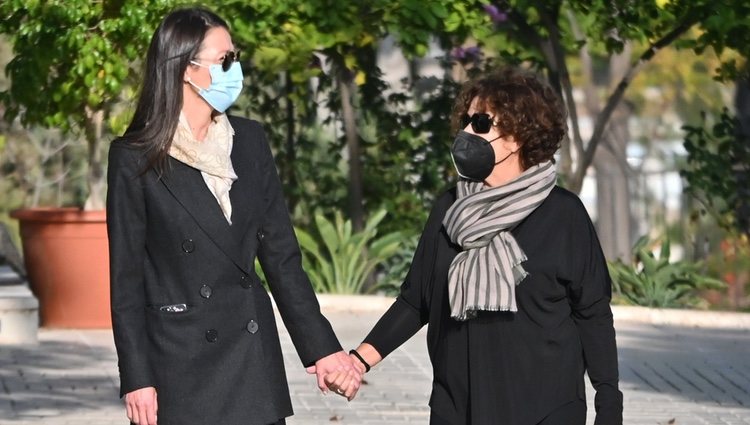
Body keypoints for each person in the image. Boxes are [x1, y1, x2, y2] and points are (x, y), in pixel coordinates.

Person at [325, 67, 623, 424]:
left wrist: (609, 405)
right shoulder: (450, 208)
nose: (466, 132)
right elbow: (416, 300)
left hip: (545, 408)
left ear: (518, 136)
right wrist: (358, 362)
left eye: (481, 123)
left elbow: (592, 313)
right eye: (466, 121)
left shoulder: (564, 215)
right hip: (458, 406)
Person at [106, 7, 361, 425]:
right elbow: (127, 279)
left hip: (250, 360)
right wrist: (136, 377)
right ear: (186, 68)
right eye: (225, 59)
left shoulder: (249, 141)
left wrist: (323, 349)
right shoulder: (135, 157)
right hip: (179, 360)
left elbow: (281, 257)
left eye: (235, 57)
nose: (235, 69)